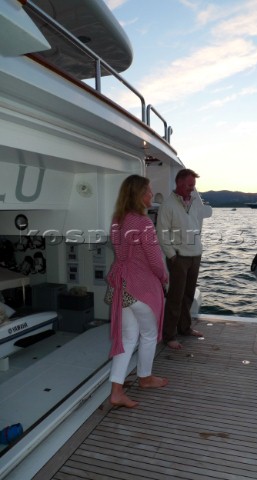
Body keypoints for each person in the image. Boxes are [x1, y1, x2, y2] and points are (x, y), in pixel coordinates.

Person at [107, 175, 169, 408]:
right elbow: (154, 259)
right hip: (141, 287)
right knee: (149, 334)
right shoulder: (143, 223)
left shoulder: (117, 219)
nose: (151, 195)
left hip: (122, 287)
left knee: (128, 338)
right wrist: (164, 277)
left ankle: (116, 392)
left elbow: (120, 253)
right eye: (148, 191)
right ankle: (145, 378)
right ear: (138, 195)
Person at [156, 168, 206, 349]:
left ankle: (185, 328)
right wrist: (172, 256)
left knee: (188, 295)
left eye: (193, 186)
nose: (192, 189)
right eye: (190, 185)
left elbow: (196, 226)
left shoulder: (193, 203)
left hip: (195, 256)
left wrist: (198, 247)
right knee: (175, 298)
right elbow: (162, 233)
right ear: (179, 183)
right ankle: (169, 335)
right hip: (179, 258)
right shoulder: (168, 206)